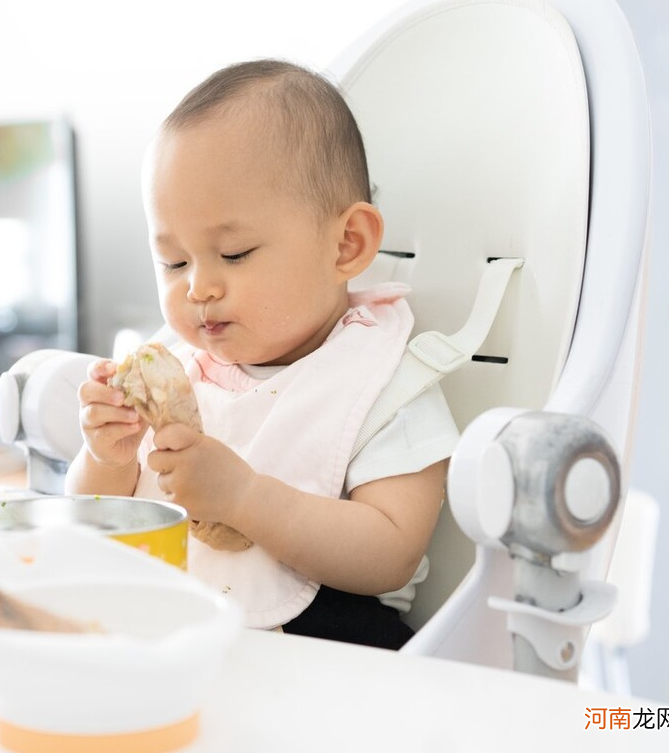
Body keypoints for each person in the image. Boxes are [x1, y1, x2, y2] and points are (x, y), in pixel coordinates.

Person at [66, 59, 459, 649]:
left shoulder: (383, 381)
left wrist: (247, 499)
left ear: (346, 244)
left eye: (235, 252)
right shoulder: (178, 370)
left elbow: (391, 553)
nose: (197, 287)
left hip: (326, 656)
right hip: (182, 646)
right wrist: (110, 457)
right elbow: (95, 521)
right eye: (173, 262)